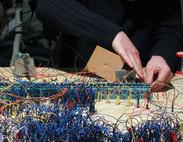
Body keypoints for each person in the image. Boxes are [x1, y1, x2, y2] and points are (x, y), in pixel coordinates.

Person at [35, 0, 183, 90]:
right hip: (82, 76)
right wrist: (113, 35)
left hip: (141, 82)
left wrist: (162, 55)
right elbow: (47, 5)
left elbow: (170, 30)